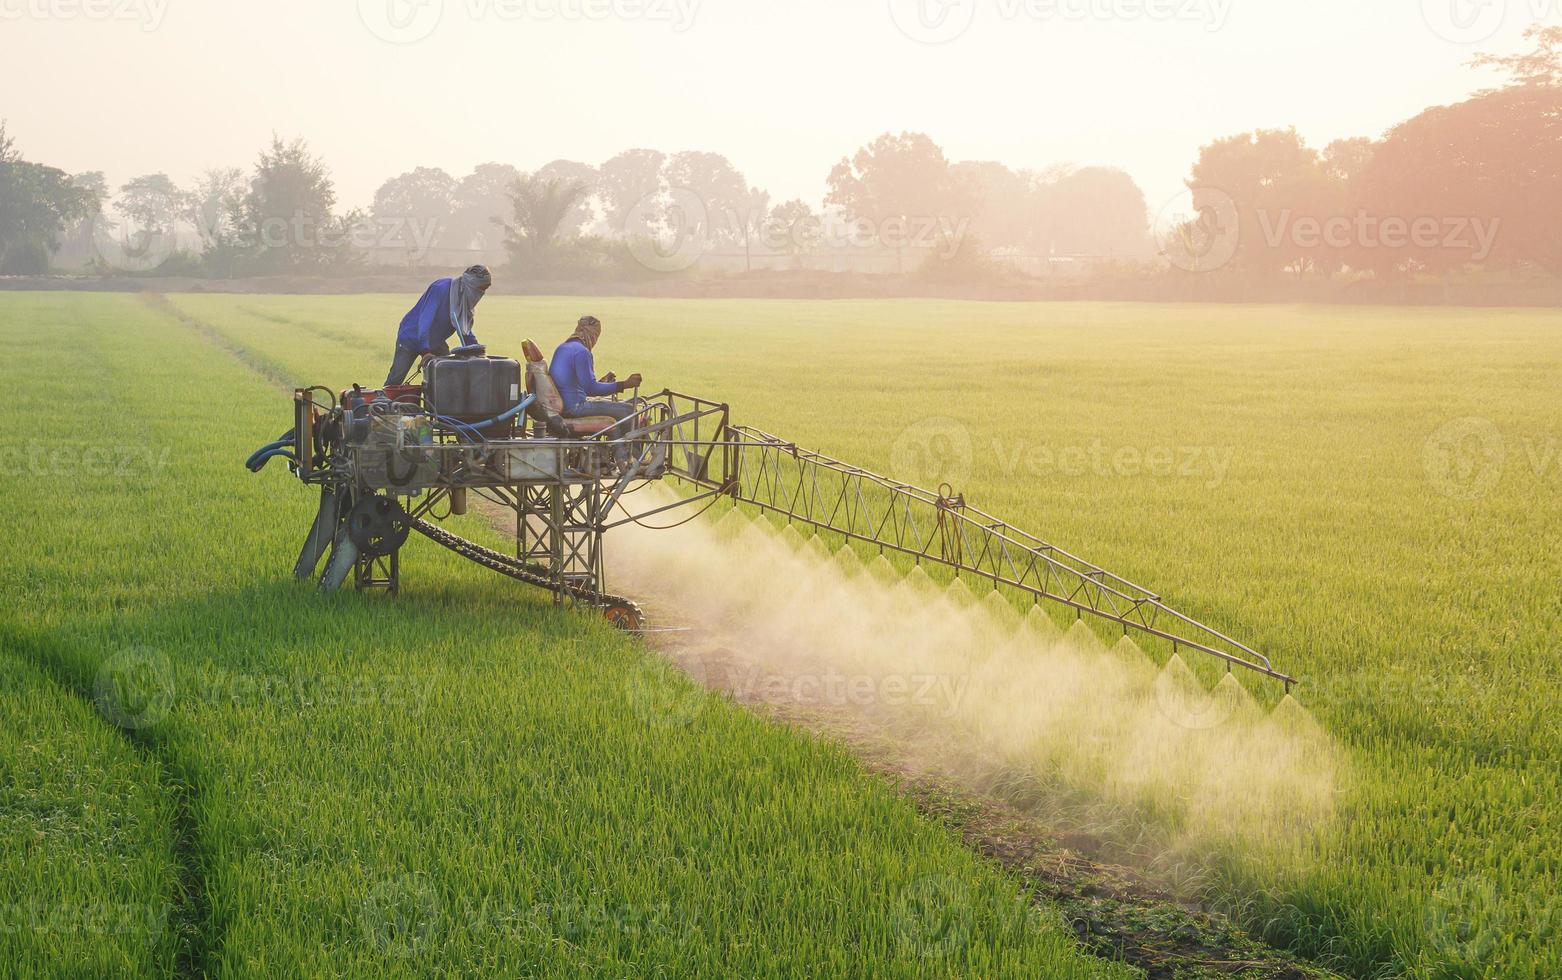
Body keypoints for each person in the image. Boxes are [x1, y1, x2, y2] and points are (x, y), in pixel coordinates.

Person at [550, 316, 642, 468]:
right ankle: (633, 460)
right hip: (575, 407)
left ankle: (622, 457)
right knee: (628, 411)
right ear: (591, 334)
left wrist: (603, 382)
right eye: (596, 336)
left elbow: (578, 384)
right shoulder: (582, 352)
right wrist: (624, 384)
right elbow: (590, 389)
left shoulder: (563, 348)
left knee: (617, 409)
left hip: (564, 405)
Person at [385, 265, 491, 386]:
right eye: (480, 289)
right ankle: (380, 403)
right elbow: (424, 322)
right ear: (470, 285)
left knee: (449, 373)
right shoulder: (441, 289)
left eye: (485, 289)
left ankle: (439, 403)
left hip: (435, 341)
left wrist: (477, 354)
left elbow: (465, 332)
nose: (482, 293)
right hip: (411, 336)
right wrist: (425, 351)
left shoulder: (464, 301)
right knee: (395, 381)